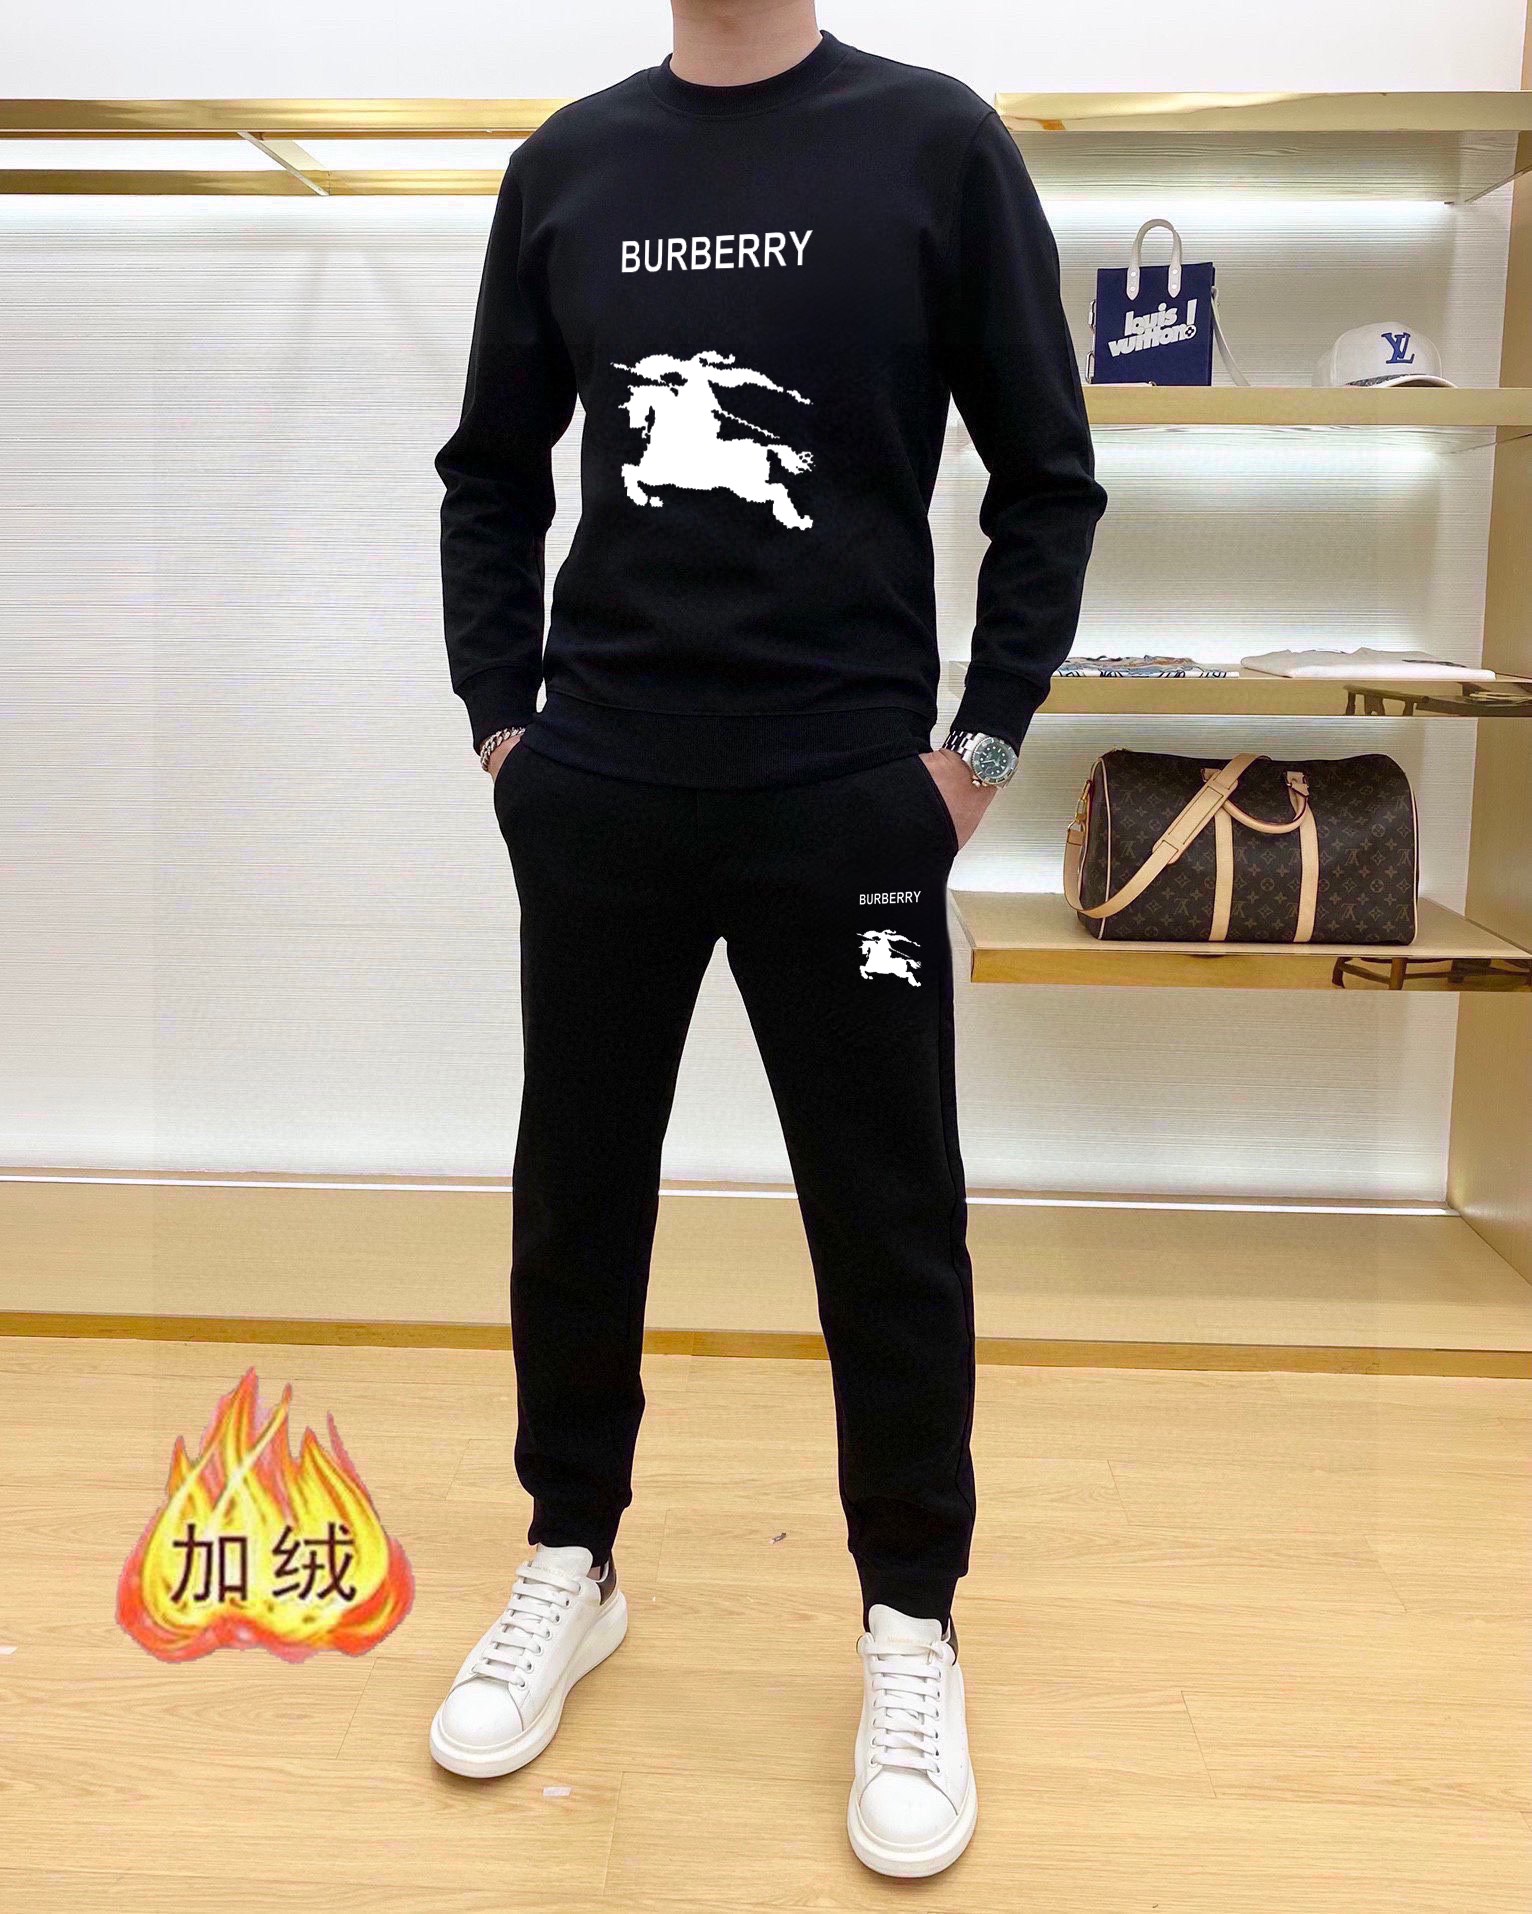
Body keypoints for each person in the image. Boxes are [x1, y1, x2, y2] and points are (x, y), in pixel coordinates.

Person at [427, 1, 1105, 1878]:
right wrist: (504, 728)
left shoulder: (936, 143)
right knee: (577, 1189)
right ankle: (572, 1556)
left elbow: (1049, 479)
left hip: (848, 800)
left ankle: (911, 1620)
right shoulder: (571, 164)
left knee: (889, 1217)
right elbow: (491, 470)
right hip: (605, 786)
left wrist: (973, 759)